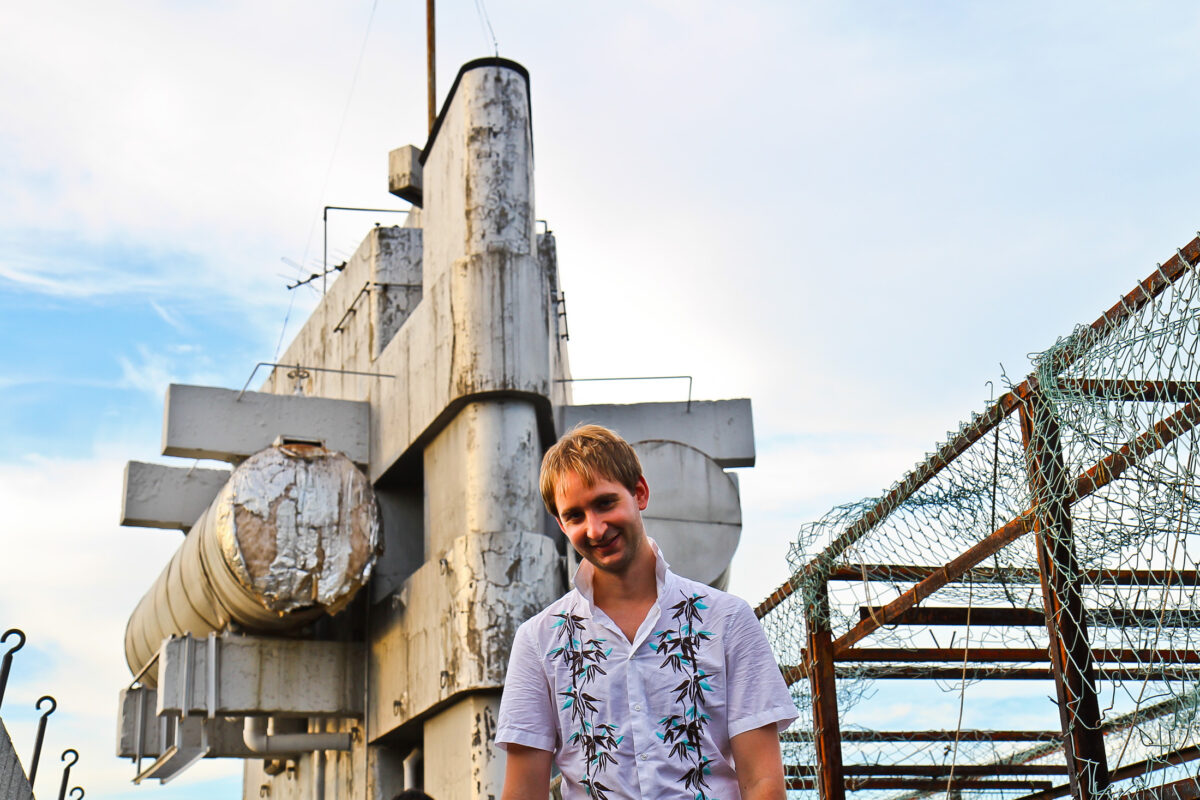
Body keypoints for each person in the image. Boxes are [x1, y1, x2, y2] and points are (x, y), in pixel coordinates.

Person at [496, 425, 796, 800]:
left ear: (639, 493)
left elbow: (763, 782)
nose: (595, 529)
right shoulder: (538, 640)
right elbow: (523, 791)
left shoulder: (728, 620)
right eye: (574, 516)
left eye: (605, 503)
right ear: (560, 524)